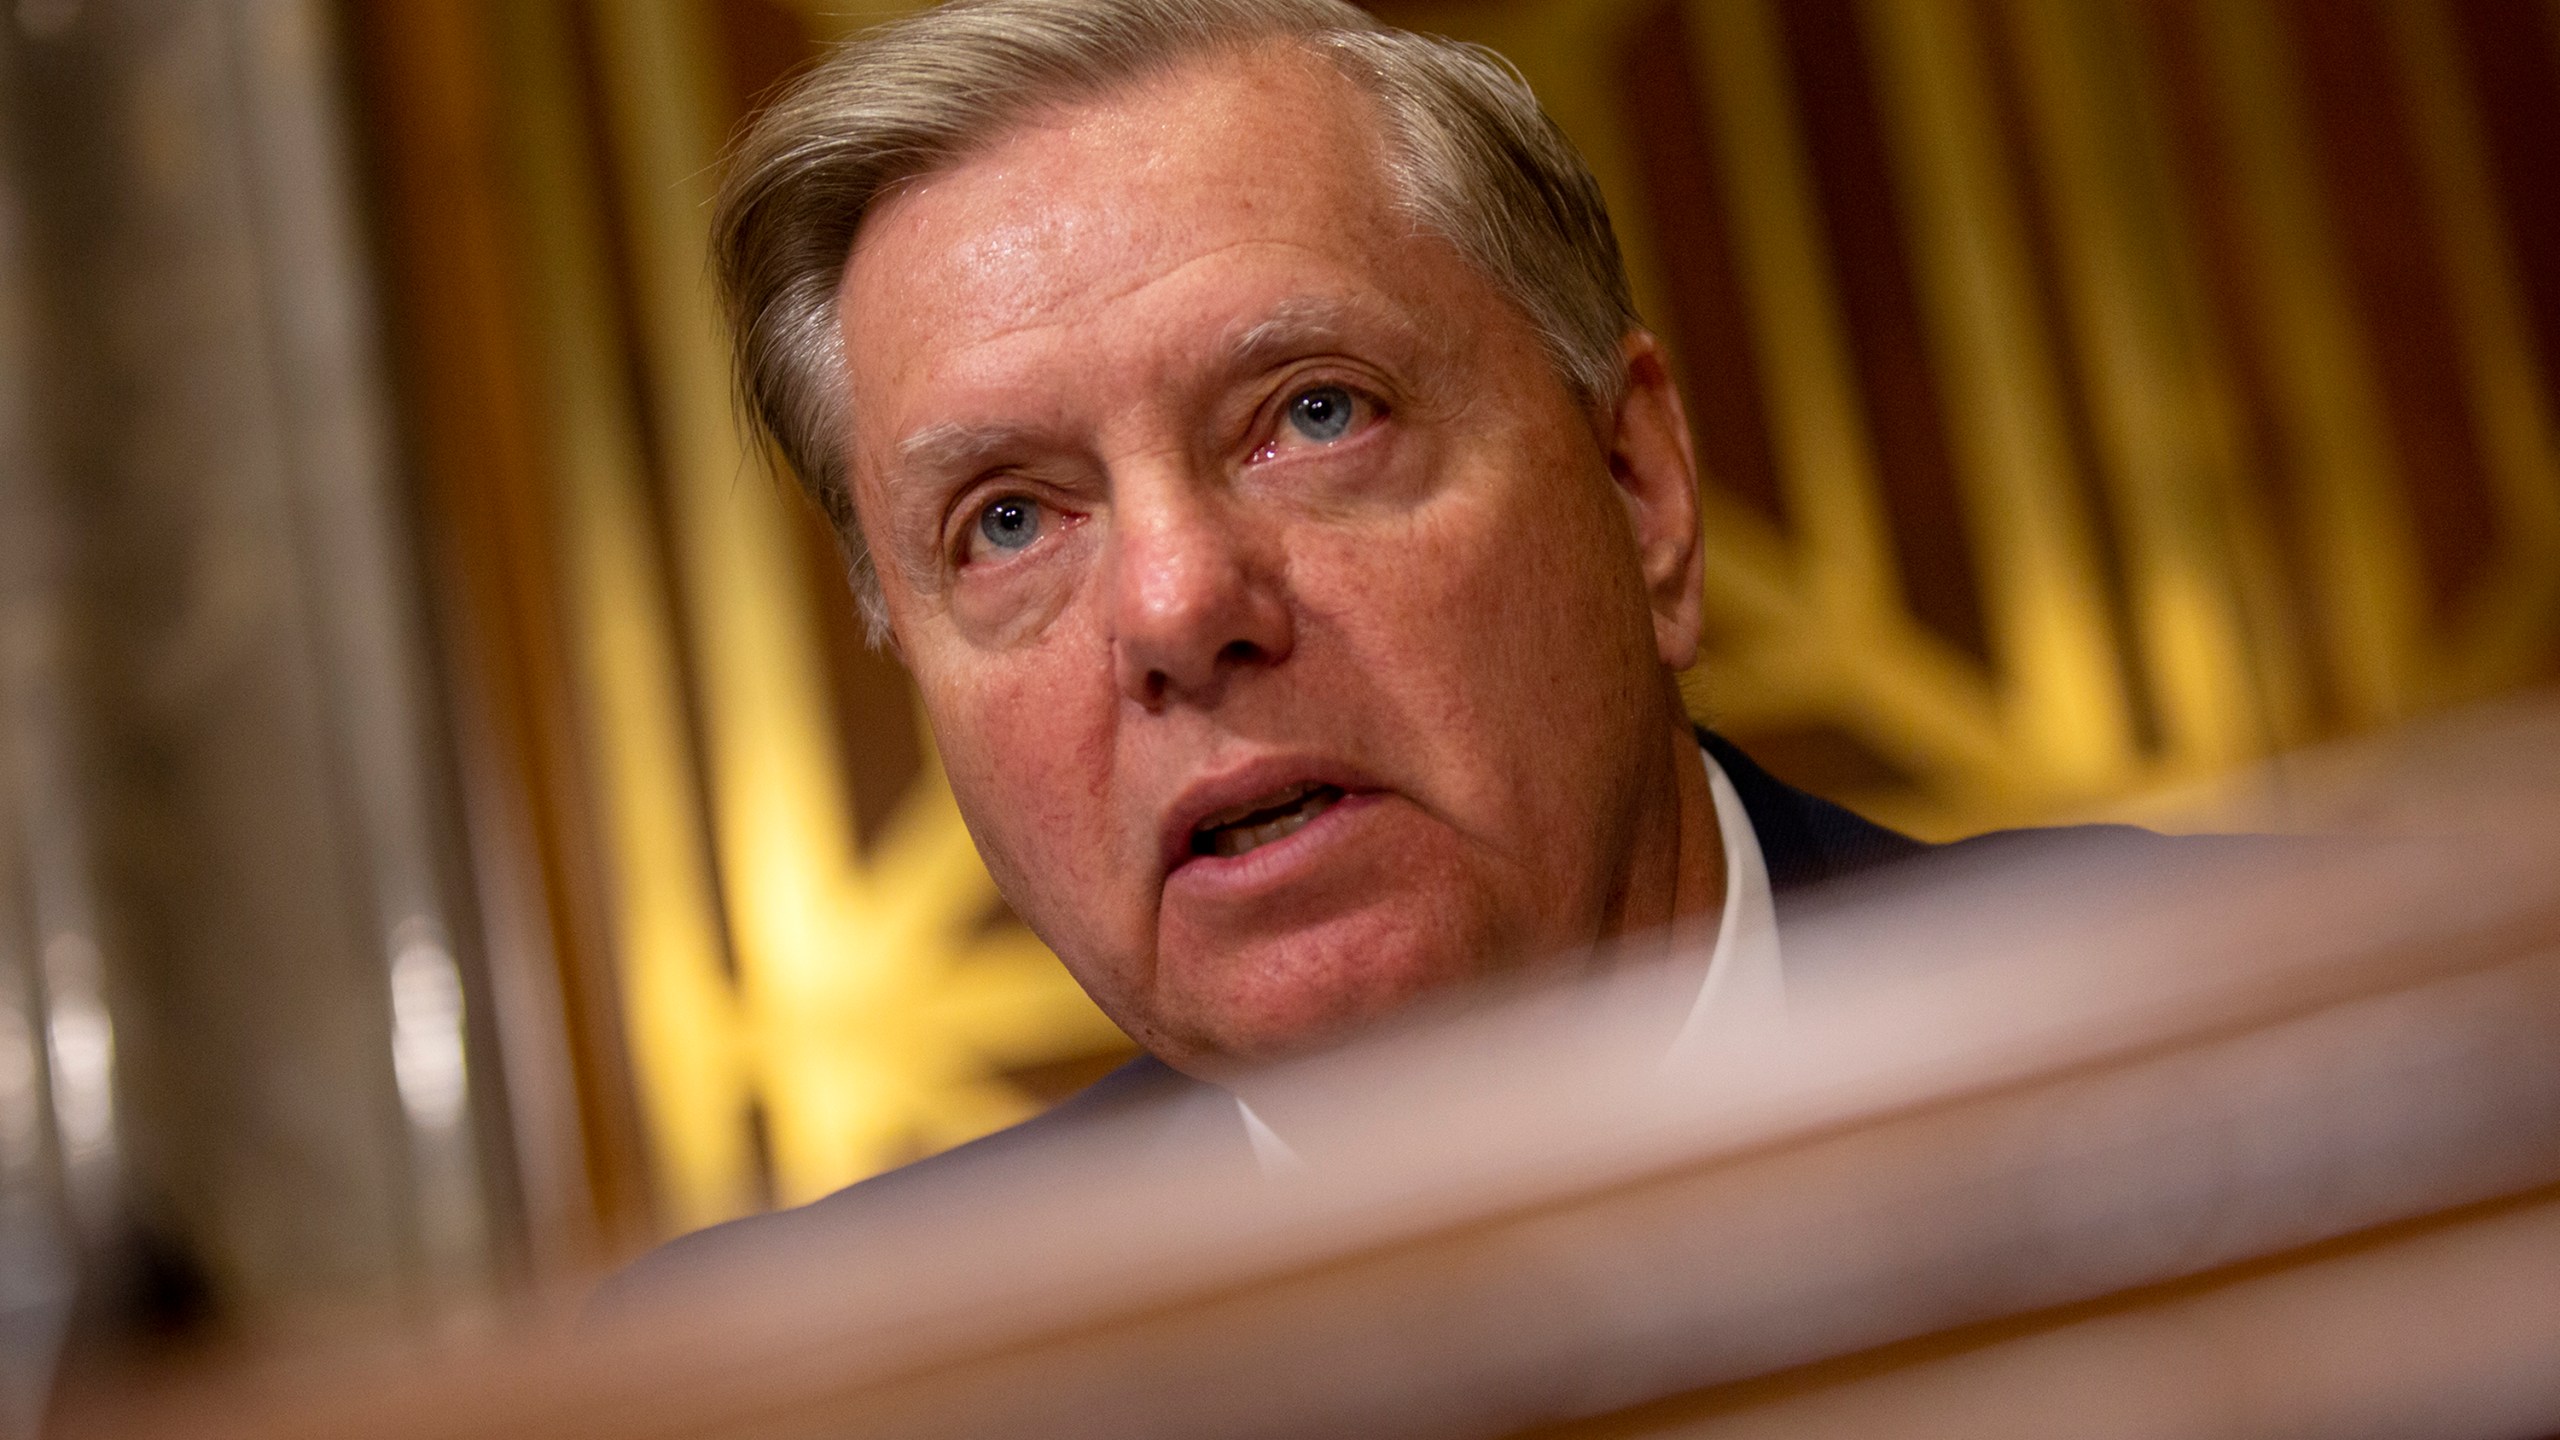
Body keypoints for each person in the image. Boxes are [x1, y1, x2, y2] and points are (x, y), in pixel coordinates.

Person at [634, 0, 2041, 1267]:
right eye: (1008, 522)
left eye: (1315, 414)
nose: (1179, 609)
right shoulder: (791, 1399)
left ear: (1640, 487)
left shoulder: (2238, 1059)